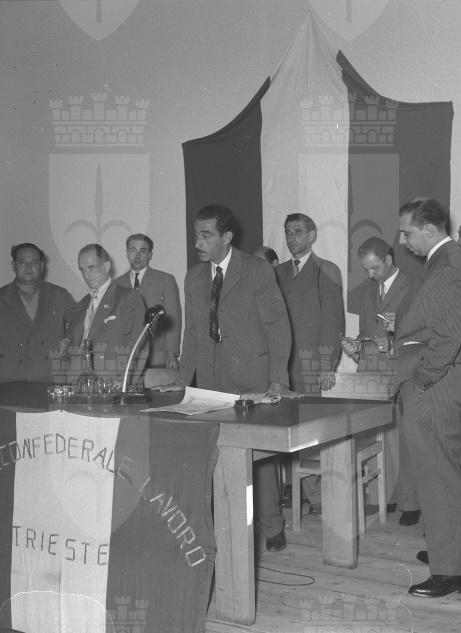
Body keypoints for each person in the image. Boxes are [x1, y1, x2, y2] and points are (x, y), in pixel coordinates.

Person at [161, 204, 294, 552]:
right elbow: (192, 332)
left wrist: (278, 377)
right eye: (196, 234)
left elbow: (277, 326)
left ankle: (272, 526)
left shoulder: (256, 270)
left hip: (253, 377)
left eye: (206, 235)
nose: (197, 242)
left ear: (227, 237)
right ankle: (223, 525)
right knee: (215, 456)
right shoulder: (193, 277)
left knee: (259, 457)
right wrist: (183, 378)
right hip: (210, 381)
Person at [395, 197, 461, 598]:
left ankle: (451, 573)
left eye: (407, 232)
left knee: (440, 475)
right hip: (440, 380)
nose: (403, 240)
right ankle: (449, 552)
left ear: (430, 229)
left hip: (436, 382)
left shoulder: (446, 267)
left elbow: (446, 338)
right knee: (440, 473)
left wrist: (423, 379)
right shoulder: (445, 261)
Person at [344, 237, 420, 526]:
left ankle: (411, 502)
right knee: (377, 436)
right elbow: (366, 332)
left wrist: (392, 342)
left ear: (388, 260)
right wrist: (355, 347)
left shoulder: (412, 286)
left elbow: (420, 333)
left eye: (374, 268)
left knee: (406, 438)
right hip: (371, 372)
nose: (370, 274)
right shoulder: (367, 290)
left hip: (402, 370)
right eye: (366, 269)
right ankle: (385, 497)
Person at [274, 213, 344, 514]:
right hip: (281, 368)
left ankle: (318, 497)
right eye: (288, 232)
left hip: (312, 365)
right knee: (285, 432)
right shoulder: (276, 272)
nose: (292, 238)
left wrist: (328, 364)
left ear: (312, 236)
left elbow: (333, 321)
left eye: (298, 232)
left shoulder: (326, 270)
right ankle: (296, 491)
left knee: (312, 433)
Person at [0, 243, 75, 384]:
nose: (28, 268)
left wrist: (67, 339)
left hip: (50, 376)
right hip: (8, 377)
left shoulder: (60, 296)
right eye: (22, 262)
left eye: (34, 262)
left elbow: (79, 324)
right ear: (13, 265)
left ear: (42, 266)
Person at [61, 244, 146, 386]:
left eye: (91, 268)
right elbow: (75, 341)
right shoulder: (83, 303)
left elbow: (140, 345)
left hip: (113, 386)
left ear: (106, 266)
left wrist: (124, 381)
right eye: (82, 270)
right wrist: (66, 341)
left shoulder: (128, 298)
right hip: (78, 385)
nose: (86, 275)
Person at [115, 234, 182, 368]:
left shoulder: (165, 280)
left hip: (157, 357)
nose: (137, 256)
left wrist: (171, 353)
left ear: (150, 255)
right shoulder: (116, 285)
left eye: (143, 251)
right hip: (126, 360)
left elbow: (173, 319)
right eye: (133, 250)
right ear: (127, 253)